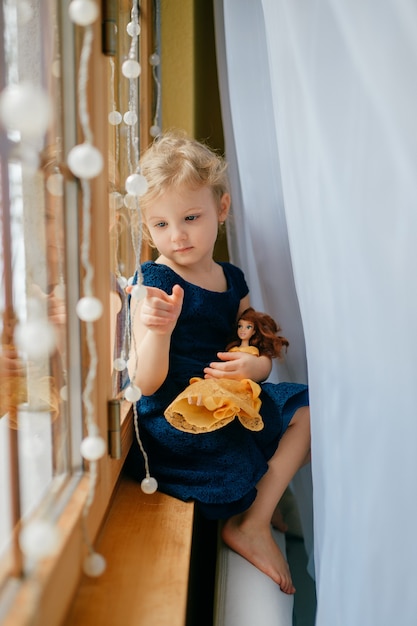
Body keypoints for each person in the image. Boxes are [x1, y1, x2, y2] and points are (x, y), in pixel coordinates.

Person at [127, 131, 311, 594]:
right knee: (233, 454)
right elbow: (145, 384)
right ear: (146, 227)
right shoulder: (151, 283)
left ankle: (255, 520)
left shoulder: (231, 278)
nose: (178, 235)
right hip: (180, 415)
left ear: (222, 210)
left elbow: (257, 350)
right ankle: (251, 520)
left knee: (308, 413)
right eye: (161, 225)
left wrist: (256, 370)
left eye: (191, 217)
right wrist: (160, 332)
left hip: (231, 394)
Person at [164, 307, 289, 433]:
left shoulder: (252, 351)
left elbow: (256, 364)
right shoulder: (232, 348)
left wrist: (260, 367)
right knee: (207, 386)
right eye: (240, 326)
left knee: (228, 394)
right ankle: (200, 403)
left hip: (239, 382)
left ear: (254, 331)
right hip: (223, 378)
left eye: (248, 327)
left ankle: (212, 405)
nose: (243, 330)